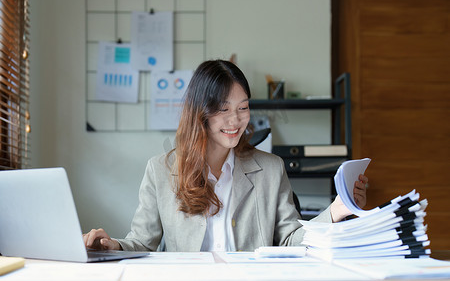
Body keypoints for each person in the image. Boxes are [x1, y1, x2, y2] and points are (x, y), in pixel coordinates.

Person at [83, 60, 368, 252]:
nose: (235, 120)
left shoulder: (271, 169)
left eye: (242, 108)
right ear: (201, 112)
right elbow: (143, 243)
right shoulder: (161, 169)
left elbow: (290, 240)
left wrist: (336, 210)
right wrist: (113, 245)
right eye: (223, 109)